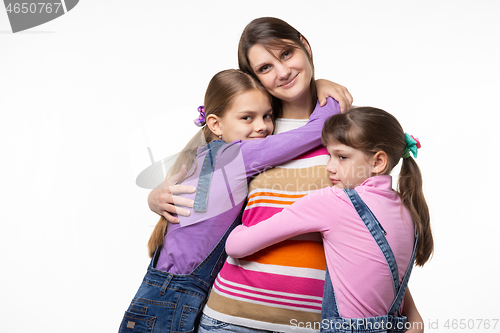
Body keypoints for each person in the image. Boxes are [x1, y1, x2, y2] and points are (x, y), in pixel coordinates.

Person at [151, 17, 423, 333]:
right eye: (265, 68)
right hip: (229, 319)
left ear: (304, 46)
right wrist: (156, 196)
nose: (282, 72)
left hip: (313, 325)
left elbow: (373, 229)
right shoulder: (253, 131)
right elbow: (196, 186)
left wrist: (407, 308)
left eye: (286, 54)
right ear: (255, 79)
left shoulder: (347, 132)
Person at [118, 69, 341, 333]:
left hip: (161, 291)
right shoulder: (237, 155)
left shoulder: (202, 155)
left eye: (267, 116)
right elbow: (311, 133)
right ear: (215, 124)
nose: (262, 126)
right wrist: (325, 93)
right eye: (247, 118)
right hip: (176, 298)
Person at [225, 107, 434, 332]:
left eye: (342, 157)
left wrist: (235, 224)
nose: (329, 167)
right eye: (329, 156)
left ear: (377, 162)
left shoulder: (335, 201)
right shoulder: (406, 208)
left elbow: (236, 246)